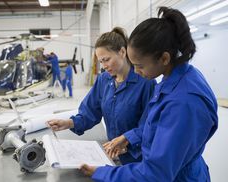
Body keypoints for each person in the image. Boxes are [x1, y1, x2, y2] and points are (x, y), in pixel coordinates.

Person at [79, 7, 218, 181]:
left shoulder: (184, 102)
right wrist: (130, 138)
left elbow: (156, 173)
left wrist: (100, 172)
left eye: (140, 66)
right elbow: (157, 125)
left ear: (164, 58)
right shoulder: (178, 77)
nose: (136, 71)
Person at [48, 27, 155, 165]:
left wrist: (126, 141)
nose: (103, 66)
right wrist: (69, 123)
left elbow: (150, 125)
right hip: (112, 154)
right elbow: (90, 111)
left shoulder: (145, 82)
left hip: (138, 159)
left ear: (122, 52)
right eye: (100, 62)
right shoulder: (104, 80)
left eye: (106, 60)